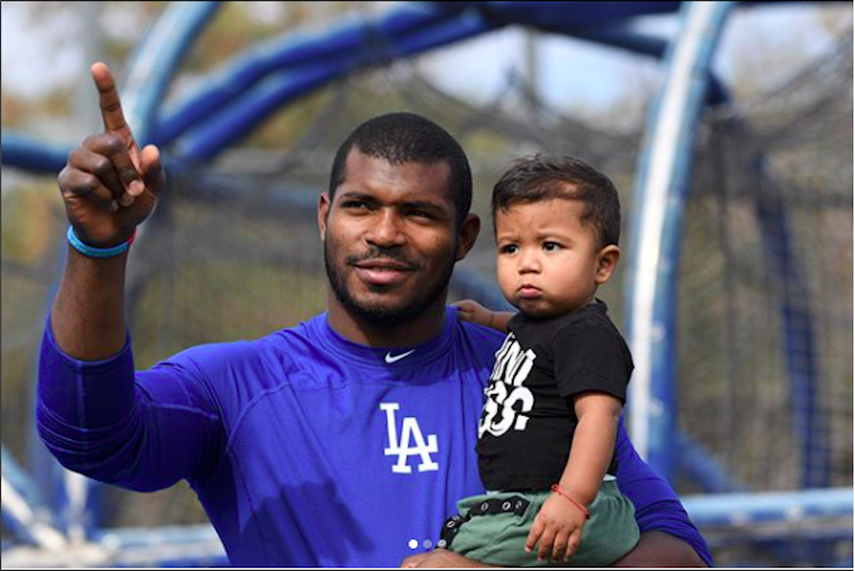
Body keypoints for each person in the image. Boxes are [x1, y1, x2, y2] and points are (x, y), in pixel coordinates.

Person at [37, 62, 711, 567]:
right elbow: (88, 434)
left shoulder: (536, 368)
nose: (384, 232)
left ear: (465, 236)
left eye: (418, 213)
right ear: (325, 217)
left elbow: (677, 550)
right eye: (361, 206)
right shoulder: (238, 384)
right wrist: (98, 247)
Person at [438, 156, 639, 567]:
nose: (527, 263)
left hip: (559, 503)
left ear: (603, 263)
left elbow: (599, 418)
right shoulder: (539, 324)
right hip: (531, 500)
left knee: (452, 554)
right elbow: (523, 330)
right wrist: (490, 320)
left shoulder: (586, 333)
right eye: (511, 247)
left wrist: (571, 498)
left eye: (550, 246)